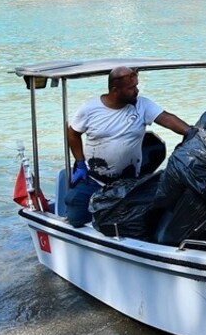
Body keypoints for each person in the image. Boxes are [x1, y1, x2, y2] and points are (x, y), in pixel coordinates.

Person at [65, 66, 192, 227]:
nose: (137, 91)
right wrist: (80, 163)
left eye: (136, 86)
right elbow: (73, 133)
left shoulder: (142, 105)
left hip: (130, 182)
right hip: (94, 179)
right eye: (131, 88)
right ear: (115, 90)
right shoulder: (89, 110)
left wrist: (191, 132)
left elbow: (166, 118)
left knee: (142, 221)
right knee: (75, 219)